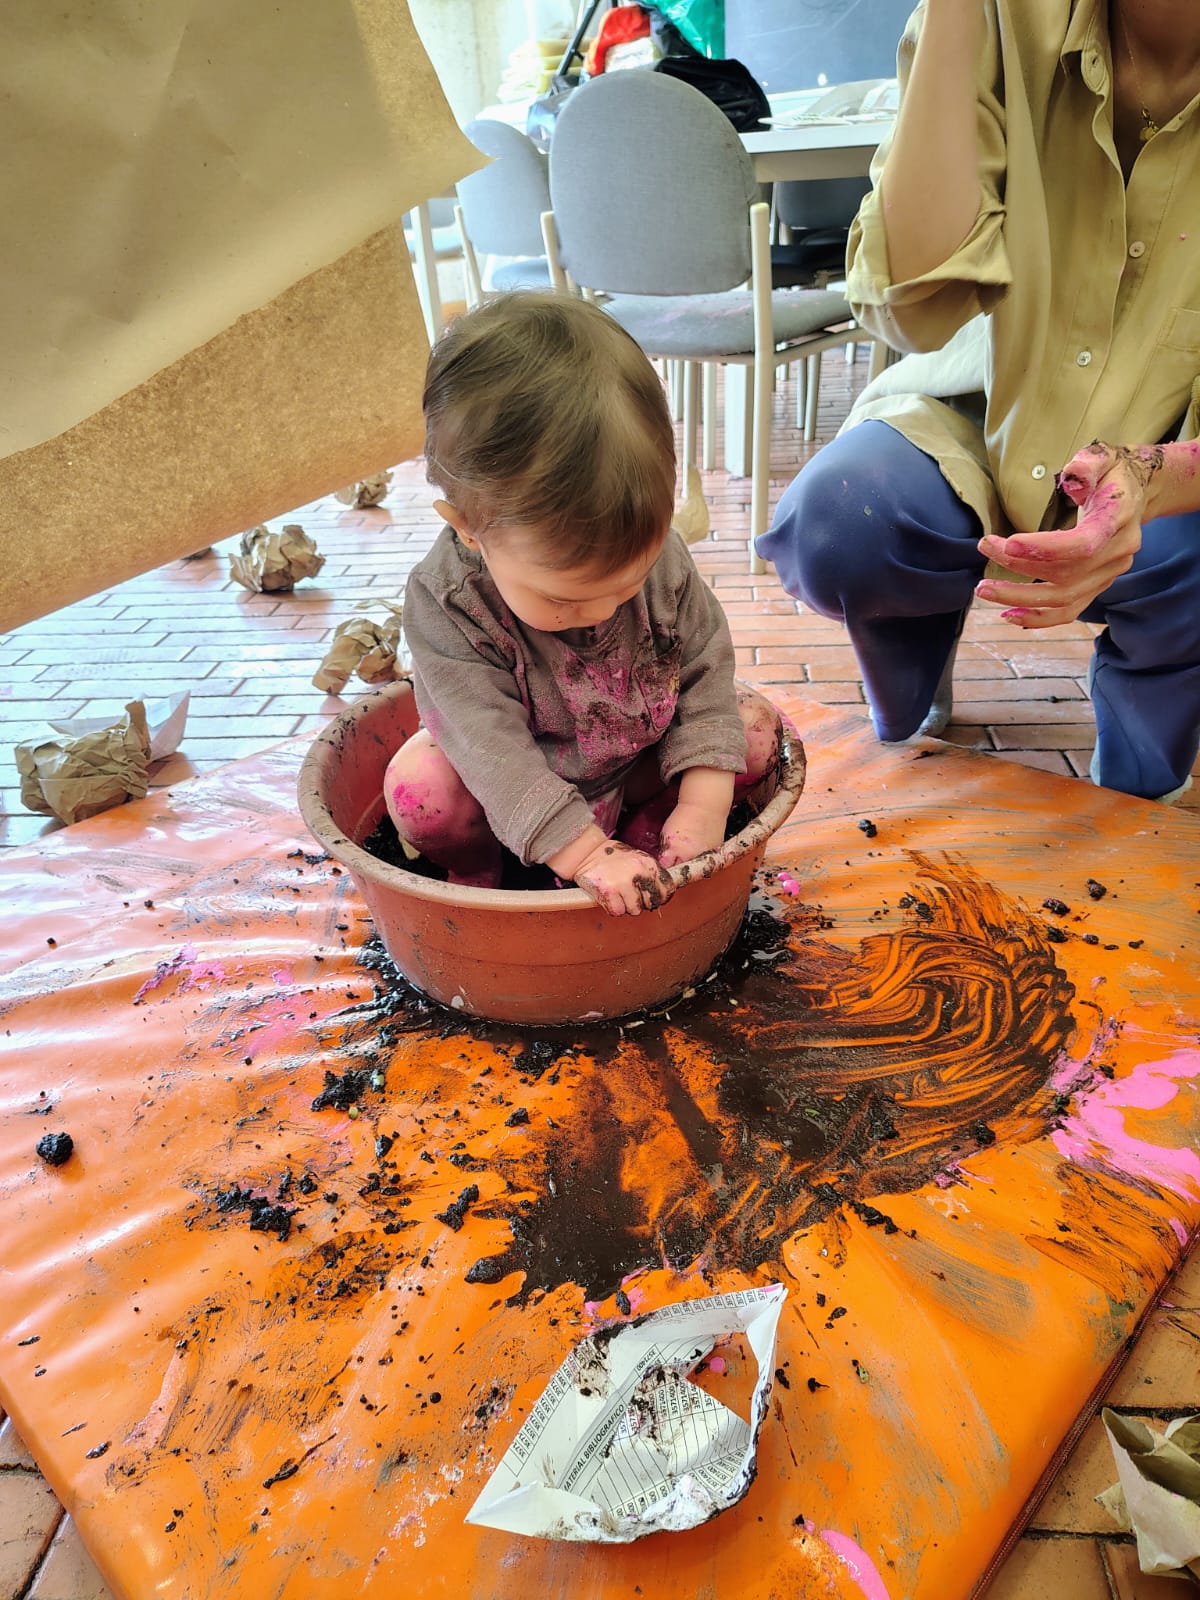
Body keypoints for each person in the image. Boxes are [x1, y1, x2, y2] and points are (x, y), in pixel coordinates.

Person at [757, 0, 1200, 803]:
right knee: (842, 520)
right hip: (978, 395)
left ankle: (1146, 779)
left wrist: (1155, 474)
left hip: (1179, 458)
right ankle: (912, 685)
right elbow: (909, 307)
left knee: (1193, 572)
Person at [384, 292, 782, 915]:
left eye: (627, 583)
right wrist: (587, 856)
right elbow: (488, 747)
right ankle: (488, 879)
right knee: (422, 791)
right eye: (563, 597)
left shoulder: (661, 555)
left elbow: (705, 670)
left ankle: (651, 829)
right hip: (510, 793)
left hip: (633, 761)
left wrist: (703, 806)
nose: (601, 612)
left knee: (754, 729)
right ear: (469, 528)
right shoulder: (449, 604)